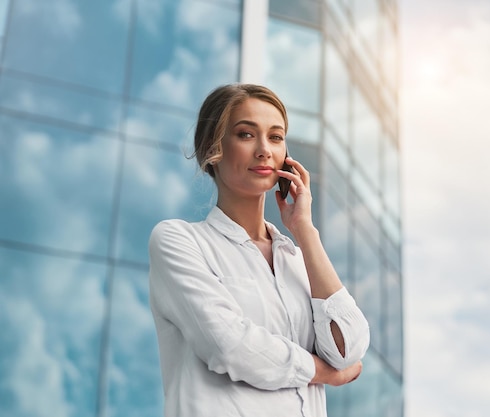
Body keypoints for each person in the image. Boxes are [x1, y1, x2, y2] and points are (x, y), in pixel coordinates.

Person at [148, 83, 370, 417]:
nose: (264, 149)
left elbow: (346, 349)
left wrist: (305, 232)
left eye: (276, 137)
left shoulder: (297, 259)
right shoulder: (178, 241)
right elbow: (228, 345)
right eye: (246, 134)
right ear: (214, 147)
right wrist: (323, 373)